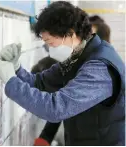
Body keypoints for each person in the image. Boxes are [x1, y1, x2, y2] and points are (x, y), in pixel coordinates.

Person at [0, 1, 125, 145]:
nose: (49, 49)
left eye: (50, 43)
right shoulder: (77, 58)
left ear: (70, 34)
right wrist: (16, 69)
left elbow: (55, 108)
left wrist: (11, 81)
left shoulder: (99, 69)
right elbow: (40, 83)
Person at [34, 15, 113, 146]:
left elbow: (63, 105)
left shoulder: (100, 72)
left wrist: (45, 138)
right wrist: (45, 138)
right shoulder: (84, 64)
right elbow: (65, 101)